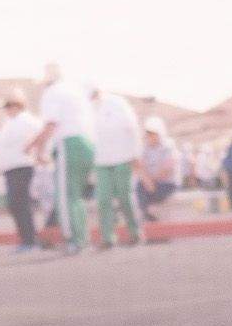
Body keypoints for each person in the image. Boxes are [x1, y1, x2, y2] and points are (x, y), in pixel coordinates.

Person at [35, 61, 98, 256]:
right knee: (76, 196)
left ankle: (74, 239)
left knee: (65, 196)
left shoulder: (51, 93)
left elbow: (51, 123)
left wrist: (39, 148)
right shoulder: (76, 92)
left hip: (68, 144)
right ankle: (83, 239)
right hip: (87, 143)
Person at [89, 82, 148, 248]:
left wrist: (135, 153)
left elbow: (132, 128)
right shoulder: (88, 109)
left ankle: (135, 232)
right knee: (103, 199)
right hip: (101, 161)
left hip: (123, 158)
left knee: (125, 197)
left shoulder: (117, 103)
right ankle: (108, 237)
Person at [0, 93, 47, 254]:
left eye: (9, 106)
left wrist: (38, 153)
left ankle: (30, 240)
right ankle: (27, 239)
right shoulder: (9, 123)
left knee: (20, 203)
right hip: (10, 168)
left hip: (22, 166)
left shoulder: (26, 120)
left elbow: (42, 134)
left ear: (17, 106)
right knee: (16, 204)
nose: (7, 110)